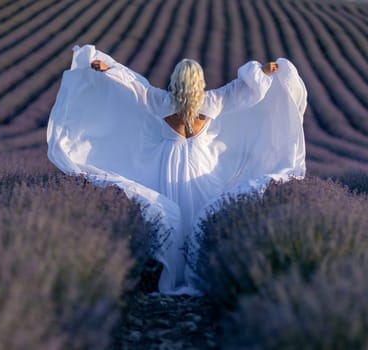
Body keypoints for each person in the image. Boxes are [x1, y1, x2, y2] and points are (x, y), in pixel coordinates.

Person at [47, 44, 307, 295]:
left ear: (176, 80)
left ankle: (166, 271)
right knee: (200, 215)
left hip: (168, 165)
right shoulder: (213, 101)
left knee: (172, 215)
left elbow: (133, 86)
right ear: (199, 81)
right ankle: (201, 270)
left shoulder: (161, 101)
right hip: (200, 165)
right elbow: (246, 91)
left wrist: (108, 70)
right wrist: (260, 71)